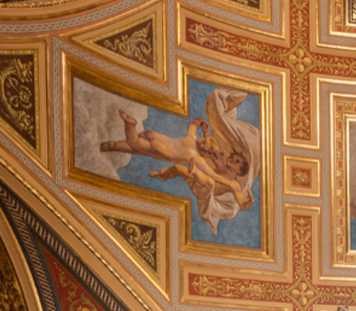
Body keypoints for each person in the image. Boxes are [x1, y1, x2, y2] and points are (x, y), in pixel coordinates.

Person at [99, 88, 261, 236]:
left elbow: (194, 126)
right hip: (163, 150)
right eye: (234, 157)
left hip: (157, 137)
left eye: (236, 160)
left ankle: (114, 146)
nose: (231, 158)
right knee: (135, 143)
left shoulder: (192, 139)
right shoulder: (203, 160)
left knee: (139, 150)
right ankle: (130, 125)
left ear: (240, 169)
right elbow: (215, 172)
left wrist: (202, 126)